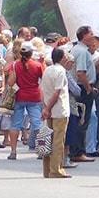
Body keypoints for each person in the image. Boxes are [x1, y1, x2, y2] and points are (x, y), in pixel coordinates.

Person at [5, 41, 43, 160]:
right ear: (31, 53)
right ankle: (41, 150)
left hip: (19, 96)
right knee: (38, 124)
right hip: (34, 96)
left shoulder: (15, 65)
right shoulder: (37, 65)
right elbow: (43, 79)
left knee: (15, 124)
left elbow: (10, 83)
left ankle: (13, 151)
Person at [40, 46, 72, 178]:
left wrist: (45, 107)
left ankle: (47, 169)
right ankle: (56, 169)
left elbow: (42, 90)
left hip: (49, 107)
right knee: (58, 141)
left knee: (48, 139)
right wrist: (47, 108)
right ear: (63, 57)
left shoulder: (47, 70)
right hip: (59, 109)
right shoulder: (61, 71)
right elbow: (57, 92)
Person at [68, 26, 98, 163]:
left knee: (78, 119)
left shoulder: (77, 49)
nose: (93, 36)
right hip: (82, 88)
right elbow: (81, 73)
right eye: (91, 33)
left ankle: (76, 150)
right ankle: (78, 151)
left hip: (79, 87)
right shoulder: (82, 52)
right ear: (84, 35)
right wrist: (88, 88)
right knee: (82, 120)